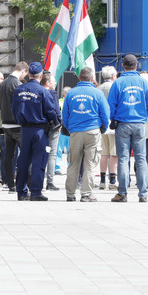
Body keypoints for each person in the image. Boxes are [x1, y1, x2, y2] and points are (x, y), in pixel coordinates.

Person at [107, 54, 148, 203]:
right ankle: (143, 194)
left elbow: (111, 105)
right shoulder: (144, 82)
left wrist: (114, 118)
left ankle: (122, 192)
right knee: (141, 159)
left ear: (123, 66)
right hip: (139, 123)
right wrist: (142, 115)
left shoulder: (118, 83)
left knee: (123, 159)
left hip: (122, 123)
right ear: (136, 66)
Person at [11, 62, 60, 201]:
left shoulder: (19, 90)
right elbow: (50, 110)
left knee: (23, 161)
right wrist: (55, 122)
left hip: (25, 129)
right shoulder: (43, 91)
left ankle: (21, 191)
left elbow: (13, 109)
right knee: (39, 161)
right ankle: (36, 191)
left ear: (29, 74)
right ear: (40, 75)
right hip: (39, 130)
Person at [62, 67, 110, 202]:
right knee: (90, 164)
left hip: (75, 131)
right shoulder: (97, 93)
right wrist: (103, 127)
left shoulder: (71, 93)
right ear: (92, 78)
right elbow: (105, 114)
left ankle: (70, 194)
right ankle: (86, 193)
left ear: (79, 78)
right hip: (92, 131)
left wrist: (69, 128)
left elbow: (65, 115)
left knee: (73, 163)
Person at [0, 61, 29, 193]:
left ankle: (10, 184)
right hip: (17, 124)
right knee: (25, 154)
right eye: (25, 74)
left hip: (5, 123)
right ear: (23, 71)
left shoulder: (3, 83)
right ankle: (24, 183)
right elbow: (22, 105)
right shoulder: (18, 84)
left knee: (8, 155)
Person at [97, 66, 118, 190]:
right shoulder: (115, 87)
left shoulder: (99, 88)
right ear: (113, 76)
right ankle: (113, 180)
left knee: (104, 153)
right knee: (114, 154)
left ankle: (102, 180)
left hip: (102, 124)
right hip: (113, 123)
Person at [41, 73, 61, 191]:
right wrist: (59, 122)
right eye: (53, 81)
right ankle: (50, 181)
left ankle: (38, 179)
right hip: (52, 127)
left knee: (40, 153)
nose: (54, 83)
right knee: (52, 154)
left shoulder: (38, 92)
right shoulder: (52, 93)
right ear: (48, 83)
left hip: (40, 127)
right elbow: (56, 110)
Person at [55, 86, 71, 175]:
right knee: (59, 149)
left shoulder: (72, 101)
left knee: (70, 150)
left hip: (70, 129)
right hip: (61, 128)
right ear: (64, 93)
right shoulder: (60, 102)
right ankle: (57, 168)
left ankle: (70, 167)